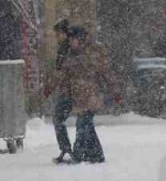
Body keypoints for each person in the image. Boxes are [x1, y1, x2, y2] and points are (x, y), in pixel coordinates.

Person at [48, 25, 122, 164]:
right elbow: (62, 73)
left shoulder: (94, 52)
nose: (71, 42)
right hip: (77, 96)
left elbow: (107, 72)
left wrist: (116, 91)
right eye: (70, 40)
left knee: (82, 124)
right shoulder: (71, 54)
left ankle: (78, 153)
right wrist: (50, 86)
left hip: (91, 96)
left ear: (81, 39)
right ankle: (96, 154)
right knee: (87, 126)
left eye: (73, 39)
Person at [50, 18, 75, 164]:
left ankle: (66, 149)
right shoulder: (65, 47)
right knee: (59, 119)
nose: (56, 37)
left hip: (69, 89)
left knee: (58, 118)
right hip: (67, 88)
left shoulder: (67, 48)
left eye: (58, 34)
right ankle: (66, 149)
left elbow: (62, 69)